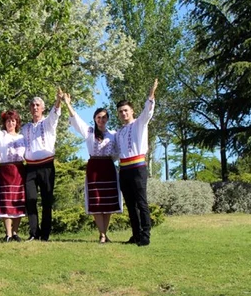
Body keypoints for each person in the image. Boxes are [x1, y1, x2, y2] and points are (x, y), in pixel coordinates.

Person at [63, 93, 122, 243]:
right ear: (95, 119)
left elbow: (118, 151)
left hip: (108, 168)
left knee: (108, 203)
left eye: (104, 117)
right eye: (98, 117)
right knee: (96, 201)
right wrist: (68, 104)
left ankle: (105, 233)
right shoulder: (89, 132)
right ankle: (102, 234)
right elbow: (76, 119)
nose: (101, 120)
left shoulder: (113, 134)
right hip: (94, 168)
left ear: (107, 119)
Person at [116, 79, 158, 247]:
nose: (123, 114)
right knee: (130, 205)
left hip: (138, 167)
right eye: (120, 112)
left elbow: (148, 111)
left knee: (141, 202)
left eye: (125, 110)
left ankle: (145, 235)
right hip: (124, 169)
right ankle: (135, 234)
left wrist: (151, 93)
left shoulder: (140, 123)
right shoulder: (119, 132)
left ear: (132, 111)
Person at [21, 90, 63, 241]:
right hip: (30, 167)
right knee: (30, 200)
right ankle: (33, 233)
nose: (35, 107)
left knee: (46, 200)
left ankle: (45, 235)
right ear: (30, 109)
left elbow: (55, 113)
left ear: (43, 108)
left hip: (46, 165)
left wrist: (58, 100)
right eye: (32, 105)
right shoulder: (25, 128)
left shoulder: (48, 123)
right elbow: (18, 145)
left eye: (38, 105)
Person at [0, 101, 27, 242]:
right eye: (8, 121)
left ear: (17, 122)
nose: (10, 123)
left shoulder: (22, 137)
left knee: (18, 201)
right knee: (6, 202)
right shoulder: (1, 136)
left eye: (13, 121)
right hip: (5, 171)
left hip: (19, 171)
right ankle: (8, 234)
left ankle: (15, 232)